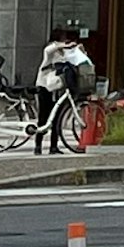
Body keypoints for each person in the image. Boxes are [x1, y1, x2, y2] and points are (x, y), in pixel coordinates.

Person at [31, 24, 96, 152]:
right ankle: (38, 146)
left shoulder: (65, 53)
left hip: (58, 87)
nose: (65, 41)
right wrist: (62, 46)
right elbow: (48, 50)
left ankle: (53, 146)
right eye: (63, 38)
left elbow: (78, 60)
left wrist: (81, 50)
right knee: (43, 116)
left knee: (57, 117)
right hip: (45, 86)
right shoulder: (52, 50)